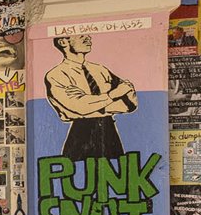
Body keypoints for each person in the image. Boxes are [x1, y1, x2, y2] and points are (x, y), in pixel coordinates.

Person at [43, 32, 137, 160]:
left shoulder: (100, 70)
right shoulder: (56, 75)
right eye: (81, 36)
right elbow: (79, 106)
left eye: (88, 35)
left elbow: (130, 102)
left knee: (116, 173)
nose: (89, 38)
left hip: (109, 131)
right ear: (63, 42)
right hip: (81, 133)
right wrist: (112, 95)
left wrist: (96, 105)